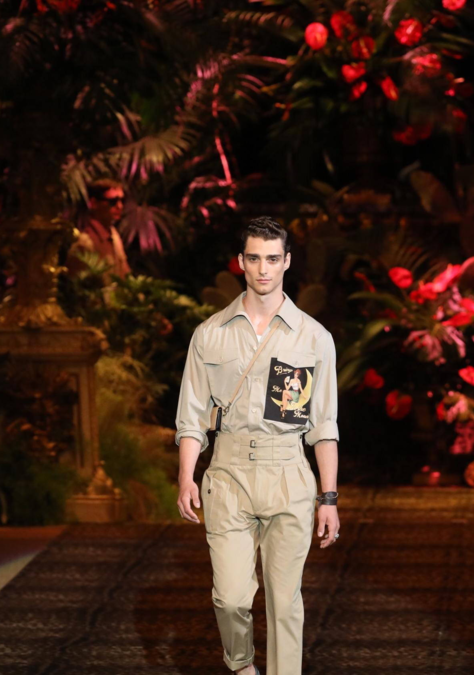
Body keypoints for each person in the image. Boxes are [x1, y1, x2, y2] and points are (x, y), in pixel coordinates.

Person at [174, 216, 341, 675]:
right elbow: (191, 417)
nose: (263, 269)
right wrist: (186, 477)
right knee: (230, 599)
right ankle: (241, 664)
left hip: (289, 472)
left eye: (272, 258)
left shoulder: (314, 337)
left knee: (285, 603)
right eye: (254, 258)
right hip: (228, 473)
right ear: (241, 262)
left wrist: (328, 497)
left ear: (286, 262)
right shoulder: (210, 333)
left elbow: (324, 424)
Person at [70, 178, 131, 278]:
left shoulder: (114, 234)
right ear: (94, 203)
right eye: (113, 201)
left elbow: (124, 274)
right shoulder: (84, 244)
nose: (119, 206)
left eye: (122, 201)